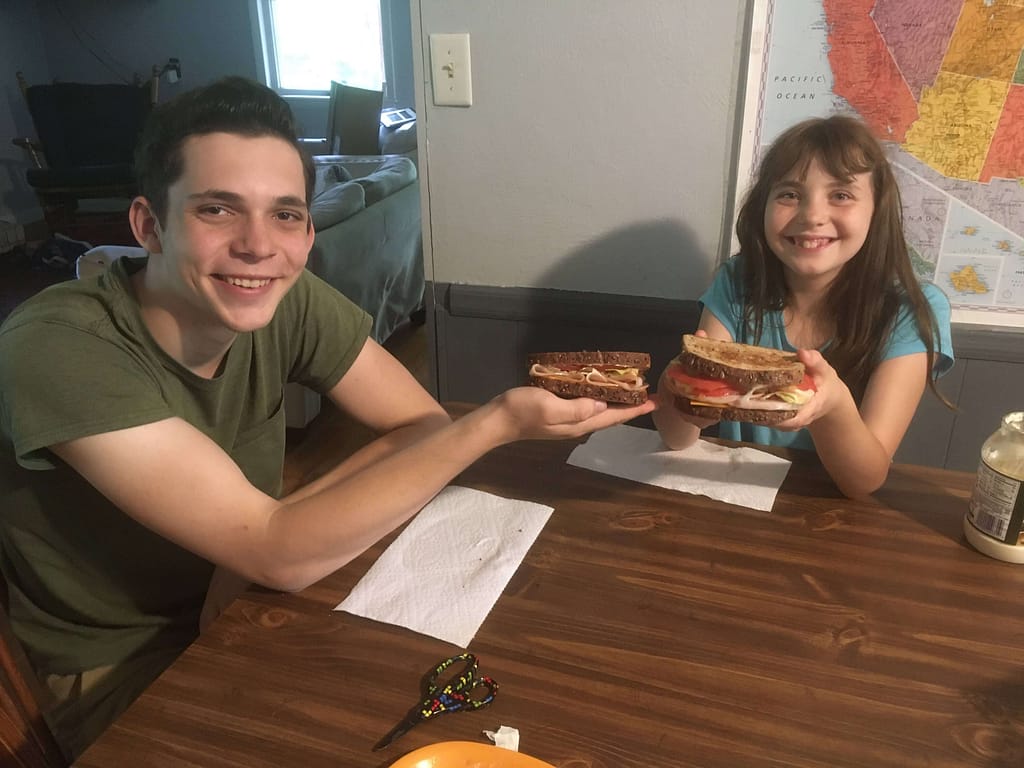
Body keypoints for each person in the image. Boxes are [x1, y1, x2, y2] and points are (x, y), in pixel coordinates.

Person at [0, 76, 656, 759]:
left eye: (285, 214)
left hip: (254, 607)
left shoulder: (282, 296)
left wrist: (251, 551)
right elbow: (280, 547)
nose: (259, 246)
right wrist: (493, 424)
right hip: (124, 663)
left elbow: (419, 426)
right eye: (218, 210)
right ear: (148, 225)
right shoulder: (60, 346)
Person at [652, 115, 953, 499]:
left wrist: (834, 405)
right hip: (731, 500)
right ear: (763, 206)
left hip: (830, 517)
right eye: (790, 194)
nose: (812, 215)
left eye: (841, 194)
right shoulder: (738, 281)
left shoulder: (912, 310)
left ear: (876, 210)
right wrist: (682, 392)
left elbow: (864, 481)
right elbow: (677, 439)